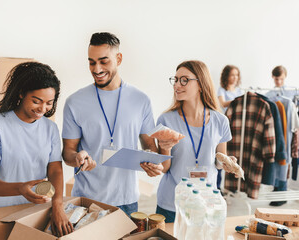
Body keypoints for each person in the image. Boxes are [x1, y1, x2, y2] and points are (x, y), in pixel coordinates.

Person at [62, 32, 162, 217]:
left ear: (118, 58)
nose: (97, 69)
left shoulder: (141, 100)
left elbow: (150, 148)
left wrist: (152, 165)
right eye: (91, 62)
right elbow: (67, 152)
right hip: (86, 200)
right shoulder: (75, 102)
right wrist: (77, 158)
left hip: (127, 201)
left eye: (104, 61)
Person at [0, 62, 72, 236]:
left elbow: (55, 170)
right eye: (36, 101)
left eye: (49, 103)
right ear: (21, 93)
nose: (43, 109)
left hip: (34, 213)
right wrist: (20, 188)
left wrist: (57, 205)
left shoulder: (50, 128)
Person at [155, 60, 233, 223]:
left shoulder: (221, 121)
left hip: (207, 202)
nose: (177, 85)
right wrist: (164, 148)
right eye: (175, 80)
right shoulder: (166, 120)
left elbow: (219, 161)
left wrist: (227, 162)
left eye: (184, 80)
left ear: (200, 84)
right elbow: (164, 168)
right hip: (172, 203)